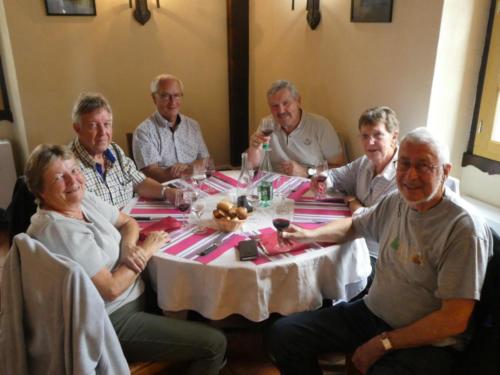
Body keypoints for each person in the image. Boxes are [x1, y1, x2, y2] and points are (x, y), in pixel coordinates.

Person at [266, 127, 493, 375]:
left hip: (428, 342)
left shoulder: (463, 227)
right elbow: (355, 225)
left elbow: (454, 319)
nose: (410, 175)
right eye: (403, 164)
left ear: (445, 171)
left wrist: (385, 342)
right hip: (372, 312)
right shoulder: (398, 199)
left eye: (424, 166)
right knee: (284, 334)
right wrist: (308, 235)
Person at [25, 144, 227, 375]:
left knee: (198, 294)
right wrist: (146, 250)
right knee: (214, 343)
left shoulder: (80, 199)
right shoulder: (60, 231)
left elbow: (127, 222)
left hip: (135, 292)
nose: (73, 181)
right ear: (40, 190)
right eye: (60, 177)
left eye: (74, 171)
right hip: (112, 319)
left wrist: (129, 248)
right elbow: (111, 289)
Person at [313, 106, 399, 281]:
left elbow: (372, 222)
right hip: (352, 243)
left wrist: (353, 202)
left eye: (377, 135)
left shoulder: (402, 176)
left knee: (324, 273)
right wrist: (321, 178)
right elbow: (335, 176)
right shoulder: (364, 163)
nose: (369, 143)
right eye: (365, 136)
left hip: (379, 256)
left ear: (394, 137)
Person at [70, 92, 176, 209]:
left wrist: (168, 192)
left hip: (131, 221)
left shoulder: (114, 150)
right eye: (93, 125)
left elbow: (140, 182)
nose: (102, 132)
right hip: (107, 226)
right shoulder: (69, 167)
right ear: (77, 128)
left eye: (107, 124)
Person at [247, 80, 346, 177]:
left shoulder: (321, 126)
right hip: (275, 187)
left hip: (311, 185)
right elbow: (251, 165)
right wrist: (254, 148)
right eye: (275, 106)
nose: (281, 111)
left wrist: (306, 172)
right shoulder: (267, 124)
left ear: (298, 101)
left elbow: (340, 168)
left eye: (286, 103)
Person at [133, 74, 210, 182]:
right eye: (165, 96)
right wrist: (189, 171)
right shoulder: (143, 132)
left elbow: (205, 161)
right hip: (162, 192)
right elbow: (151, 173)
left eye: (177, 95)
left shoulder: (193, 126)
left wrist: (187, 168)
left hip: (196, 186)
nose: (172, 101)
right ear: (154, 98)